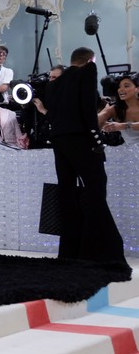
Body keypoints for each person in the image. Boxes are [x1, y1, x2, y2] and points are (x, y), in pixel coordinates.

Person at [45, 47, 125, 263]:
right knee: (96, 188)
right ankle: (102, 251)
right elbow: (88, 109)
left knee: (67, 193)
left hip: (59, 140)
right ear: (90, 60)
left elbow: (51, 114)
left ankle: (71, 252)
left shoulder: (54, 83)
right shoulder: (88, 71)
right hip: (80, 137)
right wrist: (95, 139)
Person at [99, 75, 139, 146]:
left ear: (137, 89)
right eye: (119, 87)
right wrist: (104, 124)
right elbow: (96, 119)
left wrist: (123, 126)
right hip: (132, 152)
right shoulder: (115, 109)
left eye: (126, 86)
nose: (121, 89)